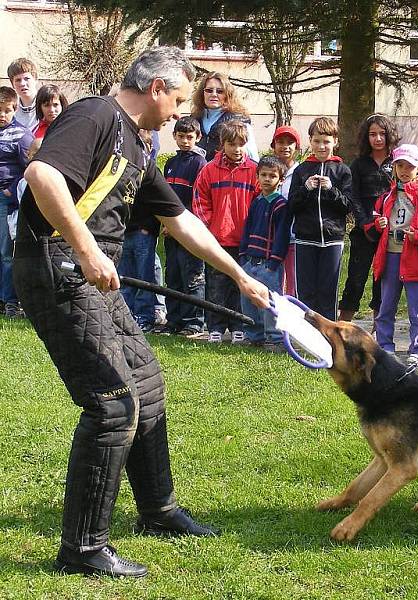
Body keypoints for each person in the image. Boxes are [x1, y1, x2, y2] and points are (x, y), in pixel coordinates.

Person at [13, 46, 272, 578]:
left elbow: (180, 221)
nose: (181, 111)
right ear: (156, 88)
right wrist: (86, 249)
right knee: (112, 405)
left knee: (146, 384)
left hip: (91, 277)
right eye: (178, 99)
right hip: (59, 271)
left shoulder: (137, 143)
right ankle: (82, 549)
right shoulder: (96, 115)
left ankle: (157, 510)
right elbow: (42, 176)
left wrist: (239, 275)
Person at [367, 144, 418, 366]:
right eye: (400, 165)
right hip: (391, 257)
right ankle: (385, 347)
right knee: (386, 305)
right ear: (393, 167)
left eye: (410, 166)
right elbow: (370, 224)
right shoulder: (386, 197)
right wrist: (378, 224)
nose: (405, 170)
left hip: (417, 260)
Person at [193, 119, 259, 343]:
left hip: (244, 240)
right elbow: (200, 200)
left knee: (239, 284)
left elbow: (260, 202)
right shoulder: (210, 169)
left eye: (241, 144)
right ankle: (216, 327)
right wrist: (210, 227)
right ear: (222, 144)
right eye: (232, 144)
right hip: (217, 239)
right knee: (216, 285)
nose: (237, 149)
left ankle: (239, 324)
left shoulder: (254, 171)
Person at [288, 116, 352, 320]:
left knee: (328, 290)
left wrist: (331, 189)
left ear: (335, 142)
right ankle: (307, 333)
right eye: (317, 141)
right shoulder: (302, 170)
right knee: (306, 291)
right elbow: (291, 205)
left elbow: (347, 206)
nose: (321, 146)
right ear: (310, 141)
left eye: (326, 141)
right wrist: (306, 189)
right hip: (305, 237)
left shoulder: (342, 170)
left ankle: (328, 335)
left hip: (332, 239)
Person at [338, 114, 399, 323]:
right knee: (356, 277)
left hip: (389, 231)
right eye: (373, 134)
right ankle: (343, 324)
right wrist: (364, 222)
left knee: (381, 279)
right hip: (364, 231)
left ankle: (379, 326)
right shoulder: (359, 164)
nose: (378, 139)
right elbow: (353, 196)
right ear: (366, 137)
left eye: (382, 134)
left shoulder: (397, 162)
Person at [160, 116, 207, 337]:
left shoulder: (200, 164)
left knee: (193, 276)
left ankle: (194, 321)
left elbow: (197, 200)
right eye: (181, 136)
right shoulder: (171, 163)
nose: (185, 141)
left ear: (198, 137)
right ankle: (174, 319)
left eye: (190, 137)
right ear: (174, 136)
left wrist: (179, 223)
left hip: (189, 230)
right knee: (174, 275)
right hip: (170, 231)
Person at [239, 155, 291, 347]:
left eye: (272, 176)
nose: (267, 179)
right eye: (263, 175)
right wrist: (243, 255)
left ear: (280, 180)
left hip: (268, 264)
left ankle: (275, 338)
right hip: (249, 261)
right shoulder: (256, 202)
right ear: (257, 177)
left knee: (269, 302)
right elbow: (247, 229)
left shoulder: (281, 205)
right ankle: (253, 335)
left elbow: (282, 235)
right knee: (248, 299)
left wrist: (274, 262)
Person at [118, 129, 162, 331]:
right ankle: (126, 315)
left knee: (144, 277)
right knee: (125, 277)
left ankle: (145, 316)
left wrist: (148, 228)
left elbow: (159, 206)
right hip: (125, 231)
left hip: (143, 232)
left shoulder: (152, 174)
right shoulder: (124, 170)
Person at [0, 86, 33, 318]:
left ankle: (10, 301)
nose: (2, 115)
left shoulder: (21, 136)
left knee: (6, 253)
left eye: (7, 111)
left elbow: (30, 168)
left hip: (6, 200)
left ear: (14, 110)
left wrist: (12, 190)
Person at [190, 71, 258, 163]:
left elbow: (253, 157)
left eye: (220, 91)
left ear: (227, 94)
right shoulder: (194, 119)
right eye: (209, 90)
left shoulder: (240, 119)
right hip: (197, 174)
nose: (214, 94)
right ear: (202, 93)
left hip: (227, 174)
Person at [270, 125, 301, 296]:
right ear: (273, 145)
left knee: (293, 286)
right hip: (271, 238)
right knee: (273, 284)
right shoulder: (267, 171)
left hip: (294, 238)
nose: (285, 146)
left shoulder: (302, 172)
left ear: (297, 147)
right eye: (280, 142)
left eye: (290, 143)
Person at [6, 58, 40, 131]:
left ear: (35, 79)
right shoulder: (10, 109)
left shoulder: (48, 104)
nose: (22, 84)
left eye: (26, 78)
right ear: (12, 84)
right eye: (18, 80)